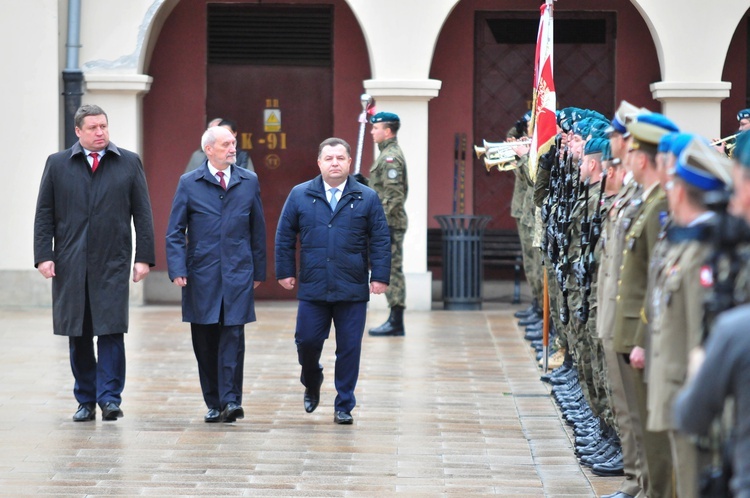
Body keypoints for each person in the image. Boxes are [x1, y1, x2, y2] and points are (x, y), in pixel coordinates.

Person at [33, 104, 155, 422]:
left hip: (112, 262)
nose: (100, 132)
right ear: (78, 131)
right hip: (71, 263)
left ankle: (110, 398)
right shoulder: (58, 164)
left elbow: (142, 213)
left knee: (112, 330)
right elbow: (44, 213)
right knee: (80, 333)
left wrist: (144, 257)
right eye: (93, 128)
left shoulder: (128, 162)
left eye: (104, 126)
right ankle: (85, 399)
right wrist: (43, 255)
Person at [275, 137, 390, 425]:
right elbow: (285, 236)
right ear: (319, 163)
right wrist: (285, 271)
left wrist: (379, 276)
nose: (335, 163)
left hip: (351, 286)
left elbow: (380, 239)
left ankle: (344, 405)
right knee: (307, 341)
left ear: (350, 162)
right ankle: (311, 379)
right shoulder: (300, 194)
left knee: (349, 348)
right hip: (313, 285)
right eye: (329, 158)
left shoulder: (366, 197)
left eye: (340, 158)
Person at [646, 137, 733, 497]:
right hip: (675, 387)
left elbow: (703, 337)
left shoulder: (703, 255)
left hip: (689, 393)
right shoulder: (690, 244)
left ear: (680, 193)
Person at [166, 126, 267, 423]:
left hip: (238, 272)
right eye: (226, 144)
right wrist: (178, 268)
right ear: (209, 149)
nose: (232, 148)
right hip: (202, 274)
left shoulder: (248, 181)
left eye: (234, 143)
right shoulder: (189, 183)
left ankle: (232, 400)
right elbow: (174, 231)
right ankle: (213, 401)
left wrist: (258, 269)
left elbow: (257, 229)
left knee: (234, 337)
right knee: (205, 340)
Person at [364, 112, 409, 337]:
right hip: (387, 222)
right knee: (389, 268)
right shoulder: (385, 155)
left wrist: (381, 224)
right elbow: (383, 190)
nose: (372, 131)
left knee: (392, 270)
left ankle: (396, 320)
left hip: (389, 223)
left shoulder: (391, 157)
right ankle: (394, 318)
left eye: (376, 128)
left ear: (388, 131)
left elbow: (394, 196)